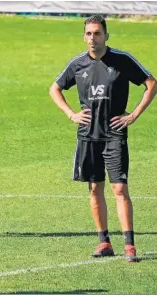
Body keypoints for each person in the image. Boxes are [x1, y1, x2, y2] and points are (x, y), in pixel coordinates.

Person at [49, 15, 157, 262]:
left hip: (114, 134)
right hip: (88, 135)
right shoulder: (77, 65)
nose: (93, 38)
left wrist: (134, 115)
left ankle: (130, 246)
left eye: (97, 33)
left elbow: (151, 84)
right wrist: (70, 114)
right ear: (84, 36)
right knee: (95, 188)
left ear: (106, 35)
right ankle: (104, 242)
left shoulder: (121, 60)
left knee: (119, 188)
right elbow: (54, 88)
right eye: (88, 33)